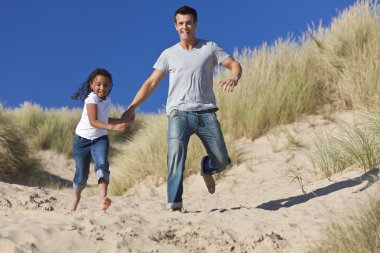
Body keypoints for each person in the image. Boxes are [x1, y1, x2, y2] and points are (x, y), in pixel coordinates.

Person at [122, 5, 242, 211]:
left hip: (206, 113)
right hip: (179, 114)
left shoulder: (210, 47)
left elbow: (234, 64)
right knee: (175, 157)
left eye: (188, 22)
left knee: (222, 161)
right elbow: (151, 83)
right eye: (180, 23)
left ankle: (207, 167)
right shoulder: (169, 54)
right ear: (175, 26)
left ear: (195, 23)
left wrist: (233, 78)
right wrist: (132, 107)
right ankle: (175, 205)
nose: (184, 27)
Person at [70, 68, 126, 211]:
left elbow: (103, 119)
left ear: (110, 87)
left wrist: (120, 120)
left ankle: (103, 200)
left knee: (102, 165)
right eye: (98, 84)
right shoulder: (91, 99)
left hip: (100, 139)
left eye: (106, 85)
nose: (102, 88)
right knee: (82, 175)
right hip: (81, 141)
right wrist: (113, 128)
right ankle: (76, 197)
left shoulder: (107, 101)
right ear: (91, 85)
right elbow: (93, 121)